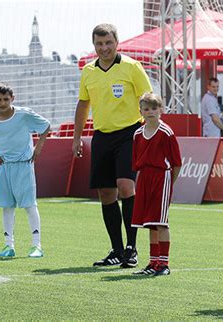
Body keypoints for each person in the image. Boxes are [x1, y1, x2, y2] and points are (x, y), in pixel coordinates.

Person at [72, 23, 153, 268]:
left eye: (108, 43)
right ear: (94, 45)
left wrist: (152, 131)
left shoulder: (131, 67)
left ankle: (132, 248)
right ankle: (116, 250)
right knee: (106, 193)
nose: (104, 48)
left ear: (117, 42)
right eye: (99, 43)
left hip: (130, 133)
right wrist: (76, 138)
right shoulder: (88, 71)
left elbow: (149, 99)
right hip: (102, 136)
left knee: (125, 186)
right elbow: (83, 105)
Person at [0, 83, 50, 258]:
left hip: (24, 164)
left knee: (29, 205)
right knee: (7, 206)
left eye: (5, 99)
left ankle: (36, 246)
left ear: (13, 98)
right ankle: (8, 246)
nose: (2, 103)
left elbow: (45, 126)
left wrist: (38, 148)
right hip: (3, 167)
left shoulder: (23, 115)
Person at [130, 93, 182, 276]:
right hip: (144, 178)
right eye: (146, 109)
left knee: (161, 223)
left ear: (161, 110)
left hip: (161, 177)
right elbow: (136, 162)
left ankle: (164, 264)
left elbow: (176, 163)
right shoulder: (137, 134)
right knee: (150, 223)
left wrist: (169, 183)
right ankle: (153, 263)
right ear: (141, 112)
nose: (150, 112)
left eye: (154, 108)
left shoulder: (166, 133)